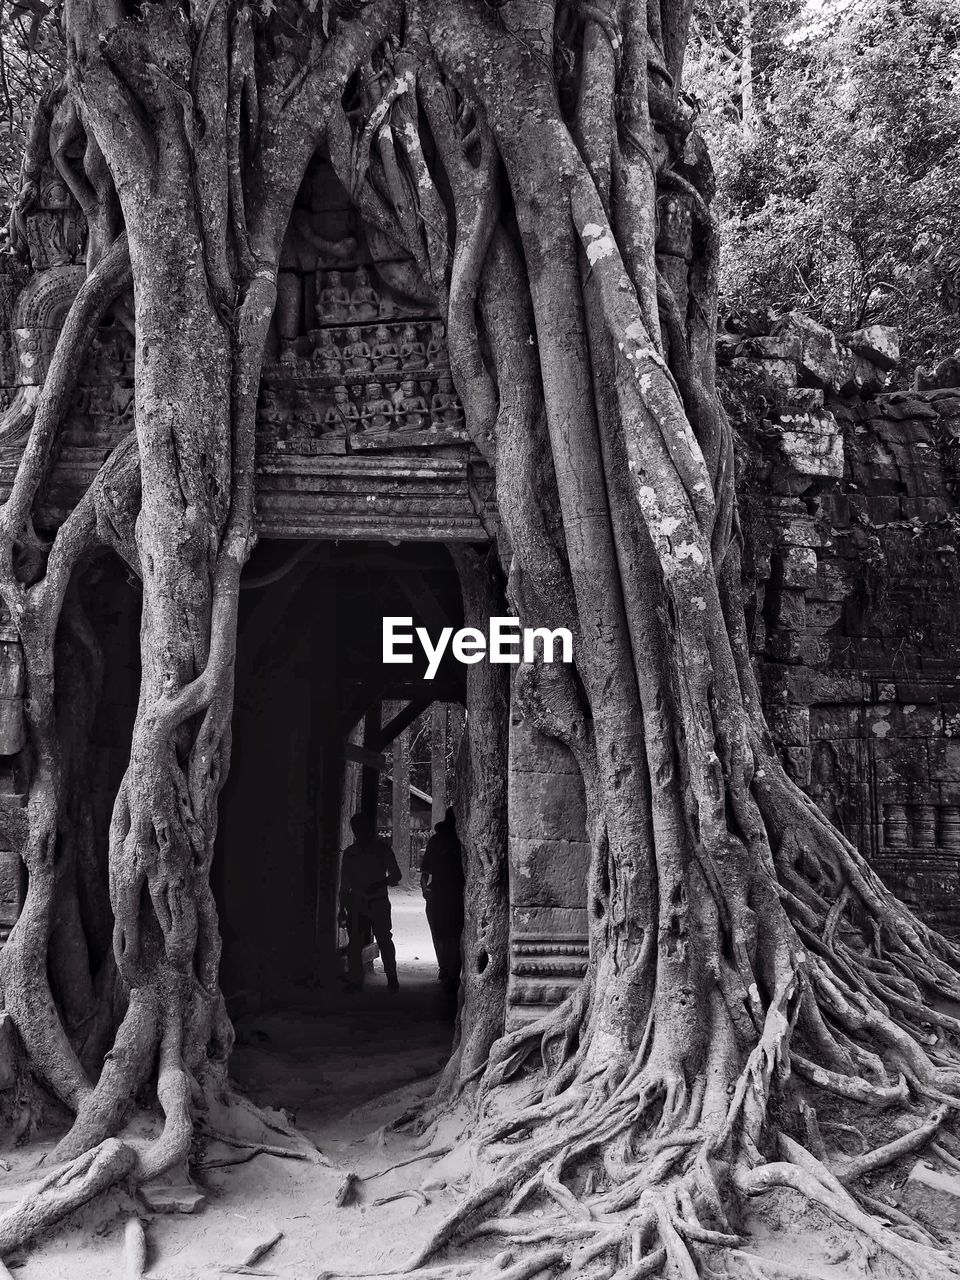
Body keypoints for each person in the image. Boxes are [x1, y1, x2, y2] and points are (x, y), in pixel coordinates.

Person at [339, 812, 403, 991]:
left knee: (382, 940)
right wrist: (342, 909)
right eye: (356, 829)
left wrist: (379, 884)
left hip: (375, 901)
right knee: (357, 943)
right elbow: (344, 884)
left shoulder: (379, 850)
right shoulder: (352, 853)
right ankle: (357, 980)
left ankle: (391, 977)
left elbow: (396, 875)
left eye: (361, 828)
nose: (358, 832)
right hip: (361, 902)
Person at [420, 807, 465, 991]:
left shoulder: (453, 841)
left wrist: (425, 888)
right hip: (448, 894)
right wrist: (425, 888)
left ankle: (449, 969)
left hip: (449, 894)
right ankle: (448, 968)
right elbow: (425, 871)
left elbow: (424, 872)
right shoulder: (449, 842)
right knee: (449, 933)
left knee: (445, 933)